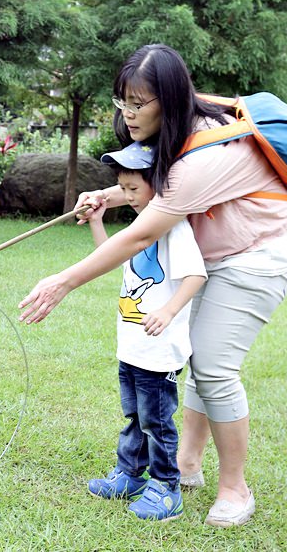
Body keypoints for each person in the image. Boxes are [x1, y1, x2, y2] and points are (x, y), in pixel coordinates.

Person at [19, 44, 287, 527]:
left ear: (168, 99)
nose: (128, 114)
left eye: (139, 103)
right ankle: (185, 465)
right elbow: (156, 187)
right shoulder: (173, 134)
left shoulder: (207, 152)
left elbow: (146, 230)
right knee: (192, 355)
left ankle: (235, 489)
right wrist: (109, 195)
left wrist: (63, 281)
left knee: (213, 365)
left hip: (259, 253)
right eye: (122, 102)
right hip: (214, 249)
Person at [84, 141, 206, 522]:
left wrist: (169, 311)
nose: (128, 196)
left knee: (156, 421)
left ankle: (167, 487)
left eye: (134, 189)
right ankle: (131, 476)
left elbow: (196, 275)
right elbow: (112, 257)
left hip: (159, 352)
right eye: (123, 189)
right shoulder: (139, 228)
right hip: (133, 348)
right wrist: (97, 220)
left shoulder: (174, 229)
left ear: (160, 186)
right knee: (136, 417)